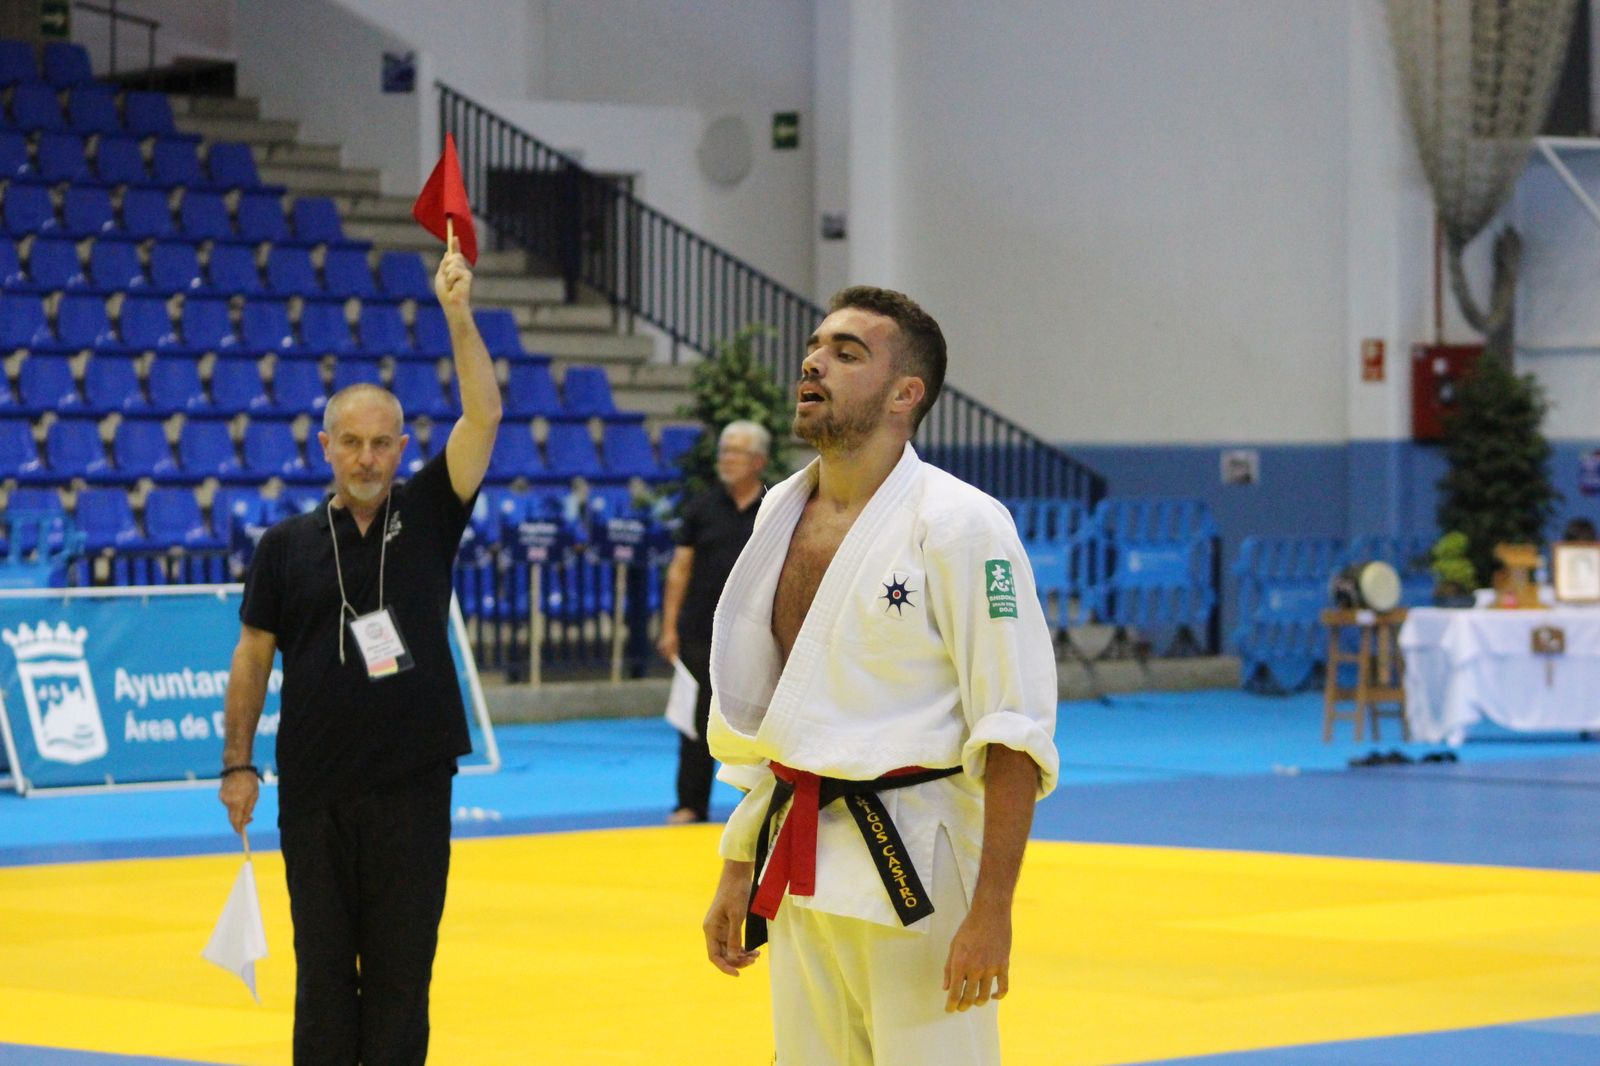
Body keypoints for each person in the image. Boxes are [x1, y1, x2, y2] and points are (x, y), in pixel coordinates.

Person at [699, 286, 1059, 1064]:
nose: (814, 361)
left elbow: (1014, 730)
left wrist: (993, 909)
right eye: (817, 345)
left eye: (846, 352)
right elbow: (777, 715)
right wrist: (737, 863)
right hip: (800, 863)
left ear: (906, 394)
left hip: (917, 870)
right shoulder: (779, 513)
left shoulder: (962, 523)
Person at [218, 234, 499, 1065]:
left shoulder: (433, 512)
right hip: (312, 790)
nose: (369, 458)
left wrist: (459, 316)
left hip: (413, 785)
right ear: (326, 448)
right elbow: (250, 656)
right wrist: (237, 764)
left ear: (402, 448)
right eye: (353, 443)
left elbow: (483, 414)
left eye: (383, 443)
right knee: (323, 978)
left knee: (402, 978)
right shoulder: (285, 544)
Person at [657, 420, 769, 824]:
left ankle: (757, 803)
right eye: (724, 451)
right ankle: (691, 802)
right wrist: (669, 627)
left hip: (755, 635)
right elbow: (680, 569)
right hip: (700, 630)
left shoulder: (775, 507)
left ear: (759, 460)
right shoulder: (702, 506)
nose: (727, 459)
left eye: (736, 452)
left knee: (758, 722)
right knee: (693, 721)